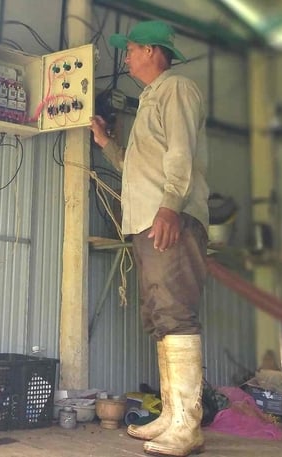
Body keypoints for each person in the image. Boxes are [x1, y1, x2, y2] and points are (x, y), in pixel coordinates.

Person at [89, 20, 209, 457]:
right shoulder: (150, 100)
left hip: (166, 218)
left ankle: (187, 426)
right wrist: (105, 142)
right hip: (147, 220)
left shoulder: (177, 89)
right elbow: (139, 171)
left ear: (155, 52)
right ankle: (173, 417)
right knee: (161, 315)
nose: (126, 57)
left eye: (132, 49)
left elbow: (181, 151)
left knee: (174, 312)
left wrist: (171, 206)